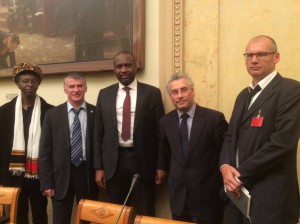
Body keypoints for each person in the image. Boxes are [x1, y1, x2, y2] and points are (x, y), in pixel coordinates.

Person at [219, 35, 300, 224]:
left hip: (271, 199)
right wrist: (224, 167)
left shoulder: (291, 90)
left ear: (276, 57)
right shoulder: (243, 95)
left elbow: (282, 144)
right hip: (236, 198)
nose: (254, 60)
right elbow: (229, 136)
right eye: (249, 55)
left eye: (261, 54)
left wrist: (239, 177)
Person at [94, 51, 165, 216]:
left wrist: (161, 165)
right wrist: (99, 167)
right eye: (119, 66)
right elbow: (98, 134)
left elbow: (160, 133)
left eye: (127, 65)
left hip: (143, 161)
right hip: (114, 162)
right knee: (117, 212)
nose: (123, 70)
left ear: (135, 67)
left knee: (145, 211)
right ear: (114, 70)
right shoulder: (104, 94)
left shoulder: (152, 93)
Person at [157, 73, 228, 224]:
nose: (180, 96)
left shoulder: (214, 119)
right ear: (170, 96)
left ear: (193, 91)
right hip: (179, 198)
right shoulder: (165, 122)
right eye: (175, 92)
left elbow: (225, 154)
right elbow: (167, 154)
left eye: (184, 90)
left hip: (208, 198)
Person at [39, 72, 98, 224]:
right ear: (65, 89)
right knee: (60, 219)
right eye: (71, 86)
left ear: (86, 88)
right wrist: (46, 182)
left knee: (87, 218)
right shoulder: (52, 115)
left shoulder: (96, 113)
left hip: (87, 175)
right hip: (60, 177)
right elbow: (45, 151)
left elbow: (101, 145)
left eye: (80, 86)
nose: (76, 90)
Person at [0, 62, 53, 224]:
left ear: (39, 83)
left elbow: (53, 148)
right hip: (13, 175)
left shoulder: (50, 111)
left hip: (39, 176)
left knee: (40, 215)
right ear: (17, 83)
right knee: (18, 216)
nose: (29, 84)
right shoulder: (4, 111)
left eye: (33, 81)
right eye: (25, 81)